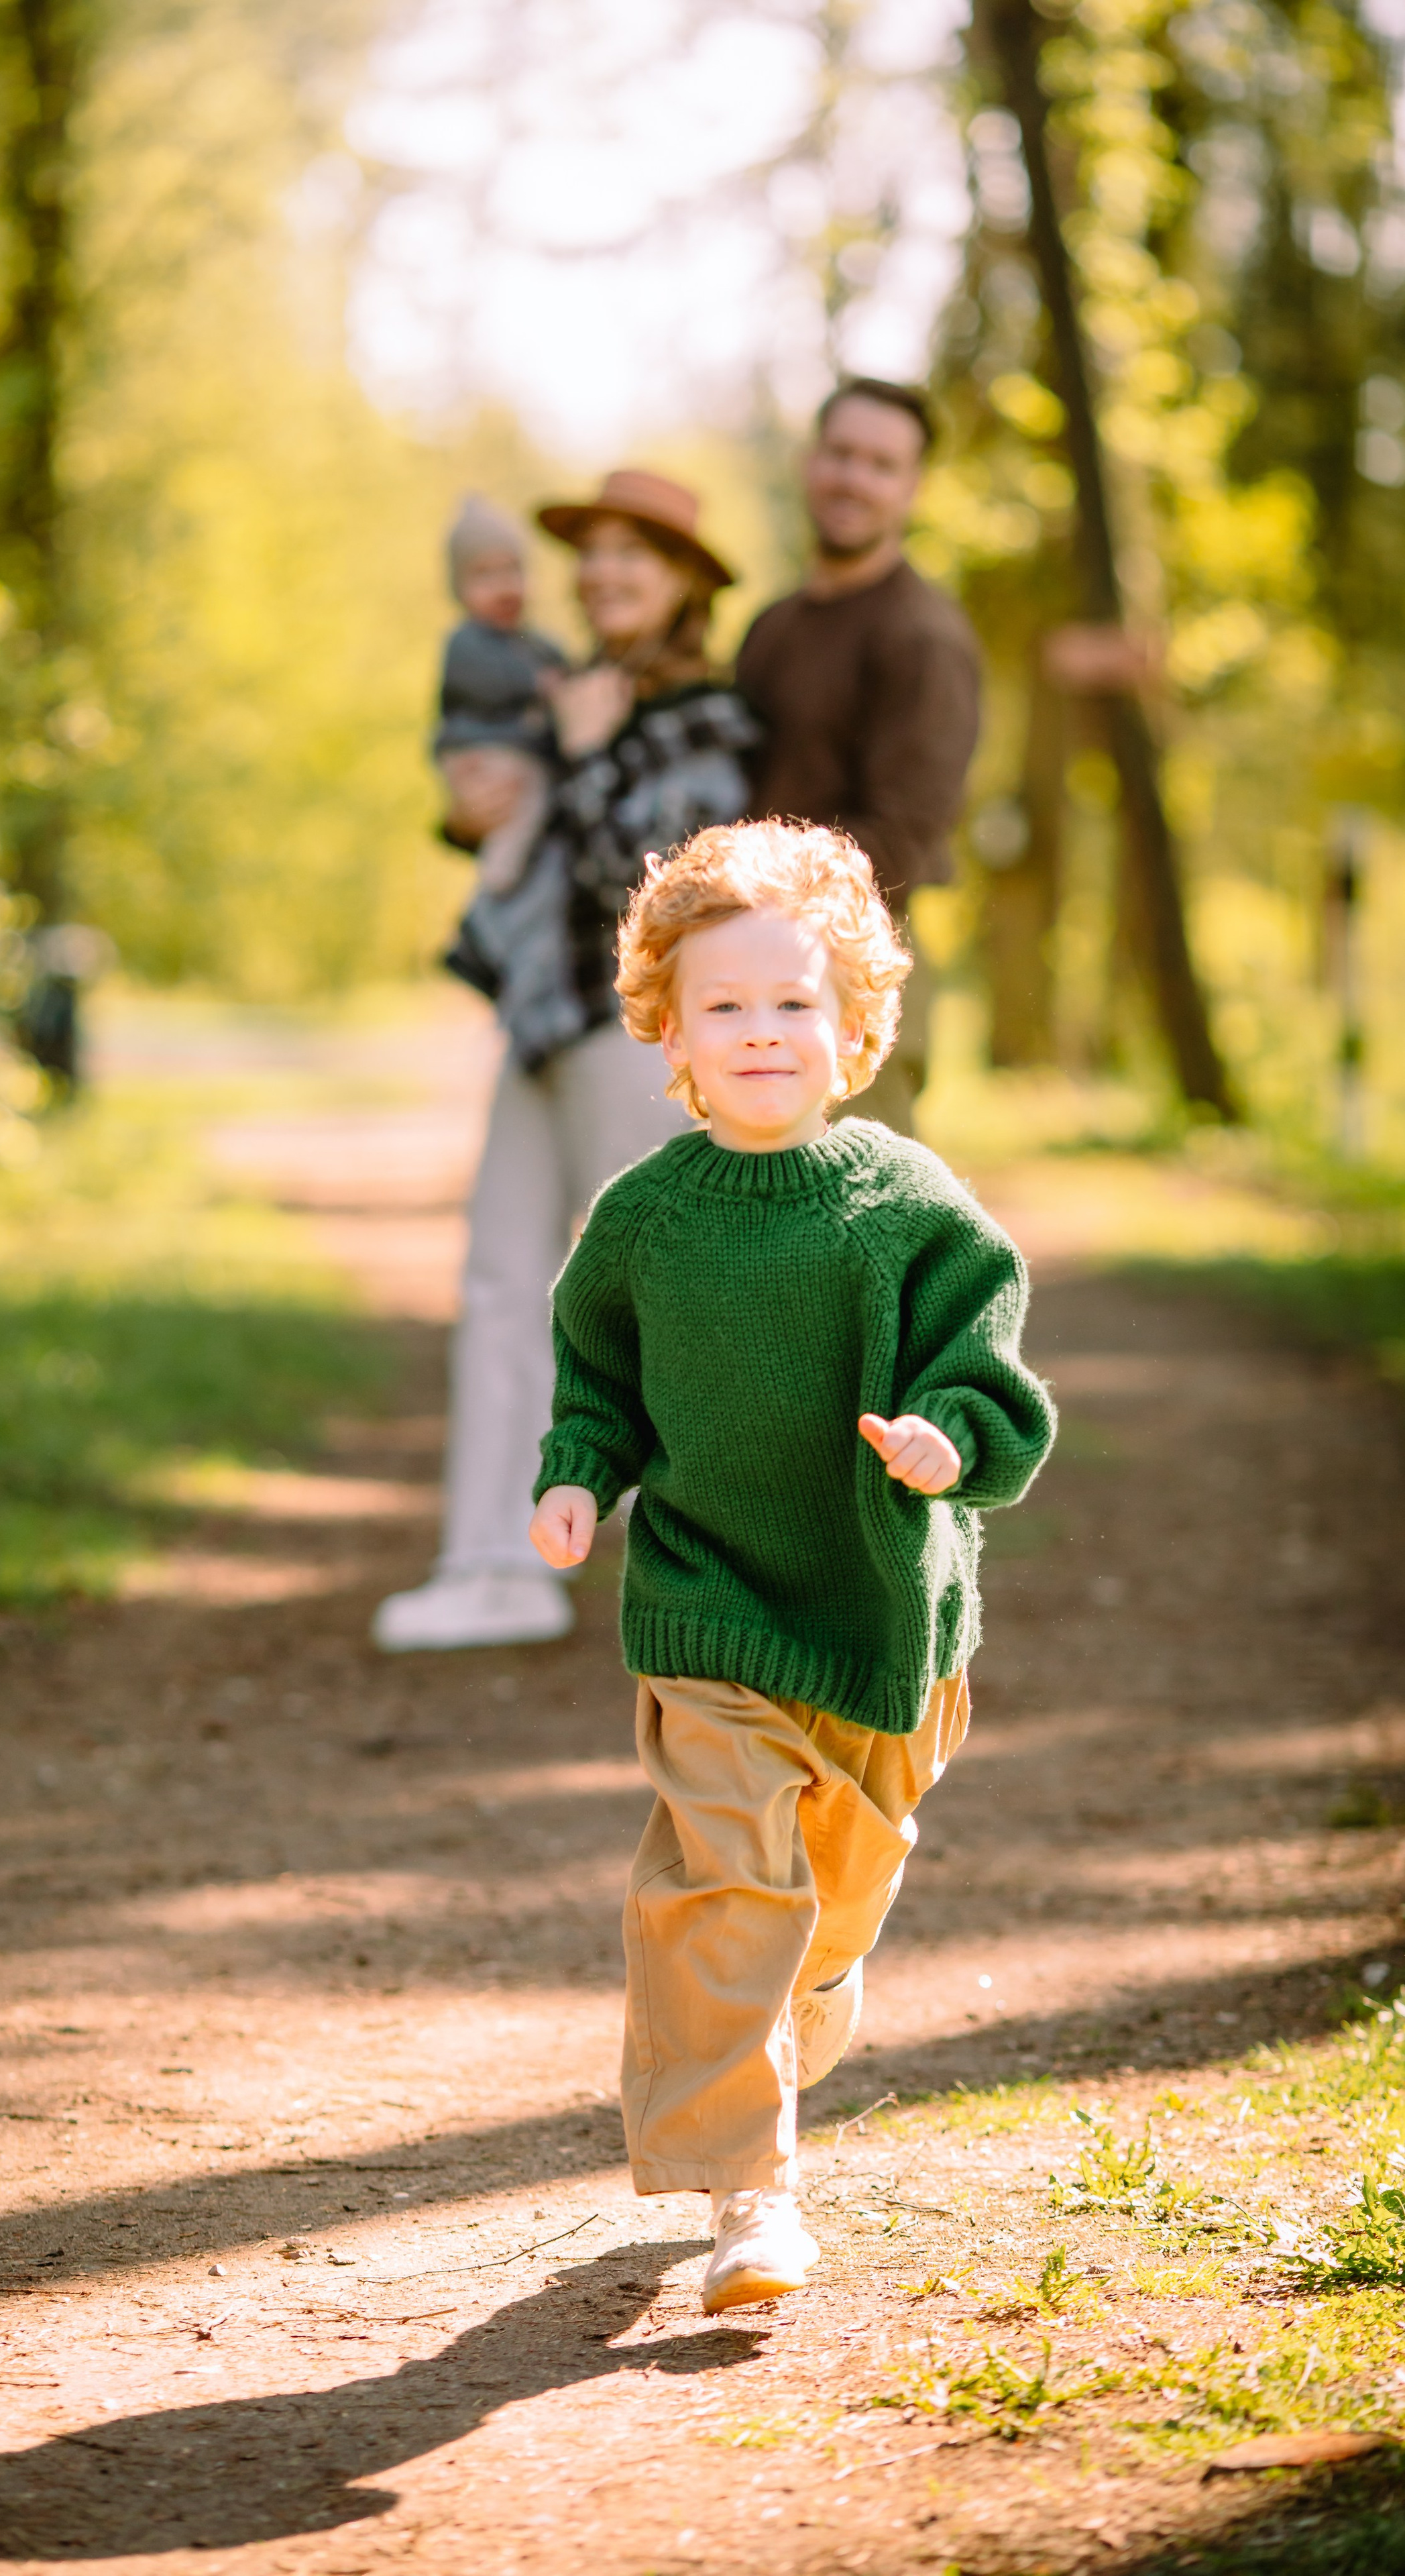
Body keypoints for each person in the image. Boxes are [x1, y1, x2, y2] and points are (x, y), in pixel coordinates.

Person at [528, 819, 1054, 2311]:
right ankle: (750, 2198)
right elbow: (595, 1384)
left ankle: (805, 1993)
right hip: (706, 1608)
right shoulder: (642, 1221)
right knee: (719, 1891)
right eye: (724, 1008)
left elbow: (985, 1370)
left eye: (793, 1003)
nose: (761, 1033)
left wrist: (950, 1441)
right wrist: (577, 1480)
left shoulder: (905, 1207)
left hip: (885, 1623)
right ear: (670, 1032)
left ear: (854, 1025)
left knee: (824, 1906)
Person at [374, 470, 758, 1654]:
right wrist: (479, 800)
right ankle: (493, 1565)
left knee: (659, 1299)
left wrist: (587, 758)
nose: (601, 574)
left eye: (630, 554)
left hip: (630, 1036)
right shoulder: (566, 691)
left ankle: (710, 1580)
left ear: (685, 580)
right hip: (539, 1021)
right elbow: (507, 816)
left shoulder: (710, 718)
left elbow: (660, 892)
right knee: (500, 1285)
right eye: (589, 554)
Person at [736, 380, 981, 1134]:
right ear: (811, 463)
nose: (853, 478)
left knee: (853, 1225)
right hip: (747, 959)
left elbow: (903, 837)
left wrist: (752, 883)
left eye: (881, 464)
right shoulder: (771, 627)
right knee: (752, 1232)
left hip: (855, 965)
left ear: (912, 488)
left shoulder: (923, 639)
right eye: (840, 454)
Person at [433, 494, 567, 899]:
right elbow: (485, 684)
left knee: (531, 794)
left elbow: (558, 663)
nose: (503, 587)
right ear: (460, 589)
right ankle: (501, 878)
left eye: (512, 571)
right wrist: (538, 687)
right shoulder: (467, 642)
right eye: (484, 576)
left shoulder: (531, 642)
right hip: (478, 745)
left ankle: (511, 876)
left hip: (511, 747)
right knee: (528, 797)